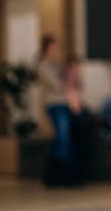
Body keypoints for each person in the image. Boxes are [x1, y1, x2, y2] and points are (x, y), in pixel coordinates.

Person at [36, 35, 88, 186]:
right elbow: (57, 85)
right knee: (63, 137)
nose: (56, 50)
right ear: (46, 48)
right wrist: (69, 90)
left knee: (65, 138)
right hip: (55, 104)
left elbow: (71, 81)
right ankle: (58, 175)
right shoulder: (44, 65)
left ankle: (66, 174)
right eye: (53, 47)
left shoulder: (58, 65)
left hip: (66, 104)